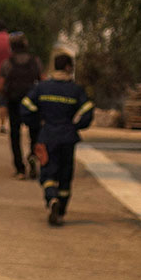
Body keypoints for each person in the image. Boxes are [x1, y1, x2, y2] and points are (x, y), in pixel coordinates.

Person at [22, 53, 95, 226]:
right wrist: (76, 126)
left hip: (47, 137)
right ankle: (61, 210)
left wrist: (36, 124)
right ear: (68, 67)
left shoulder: (42, 88)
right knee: (65, 174)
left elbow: (26, 107)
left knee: (47, 172)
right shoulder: (75, 90)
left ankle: (51, 198)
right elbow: (88, 111)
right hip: (67, 138)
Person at [0, 34, 43, 177]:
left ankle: (20, 168)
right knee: (34, 132)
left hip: (14, 102)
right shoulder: (35, 61)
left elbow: (0, 86)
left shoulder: (7, 63)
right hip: (31, 103)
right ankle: (33, 156)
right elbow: (42, 81)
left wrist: (6, 96)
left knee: (15, 134)